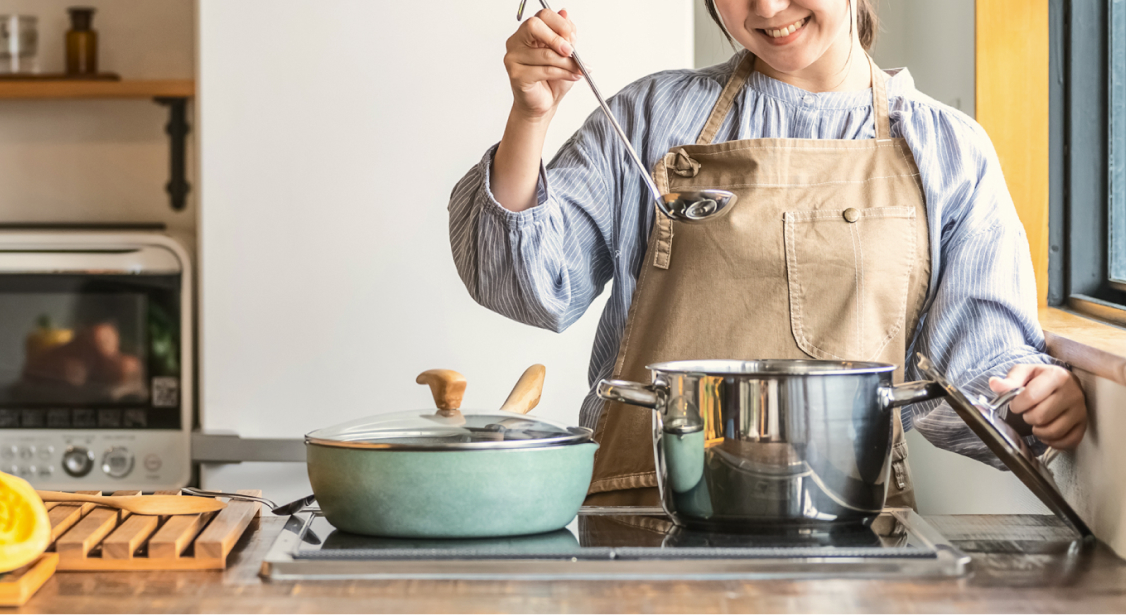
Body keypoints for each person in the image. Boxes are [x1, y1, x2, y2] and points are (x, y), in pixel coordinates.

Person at [448, 0, 1088, 507]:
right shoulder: (650, 116)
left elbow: (975, 373)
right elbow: (528, 285)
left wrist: (1033, 399)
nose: (769, 5)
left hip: (846, 528)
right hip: (644, 517)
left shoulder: (948, 151)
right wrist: (530, 117)